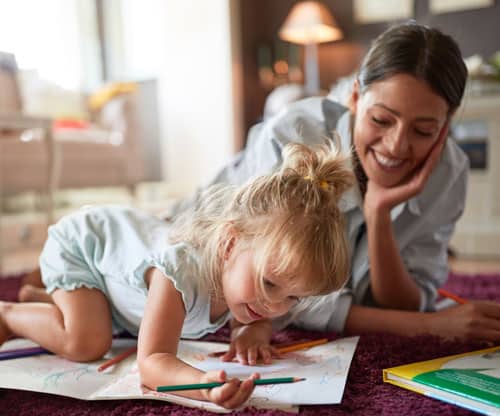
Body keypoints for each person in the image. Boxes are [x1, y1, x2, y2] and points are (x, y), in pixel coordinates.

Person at [172, 21, 500, 342]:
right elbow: (279, 299)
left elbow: (405, 303)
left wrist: (379, 214)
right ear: (355, 98)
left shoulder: (449, 174)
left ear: (445, 126)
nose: (397, 145)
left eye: (424, 130)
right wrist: (428, 326)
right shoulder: (295, 133)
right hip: (183, 241)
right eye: (381, 119)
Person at [0, 141, 354, 409]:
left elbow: (259, 313)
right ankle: (10, 313)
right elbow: (153, 362)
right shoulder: (179, 275)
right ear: (229, 244)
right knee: (88, 342)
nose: (275, 306)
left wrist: (252, 330)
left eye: (293, 297)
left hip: (118, 277)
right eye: (269, 284)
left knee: (105, 321)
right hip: (84, 248)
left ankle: (45, 301)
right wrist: (203, 385)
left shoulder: (246, 279)